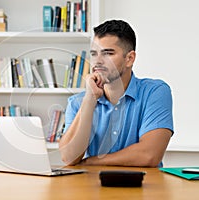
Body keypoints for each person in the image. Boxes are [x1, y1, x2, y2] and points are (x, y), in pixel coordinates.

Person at [59, 19, 174, 167]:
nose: (97, 62)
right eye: (94, 54)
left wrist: (91, 161)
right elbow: (68, 157)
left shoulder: (155, 92)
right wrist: (90, 99)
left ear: (129, 59)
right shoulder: (77, 102)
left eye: (107, 53)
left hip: (143, 187)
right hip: (92, 188)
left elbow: (149, 155)